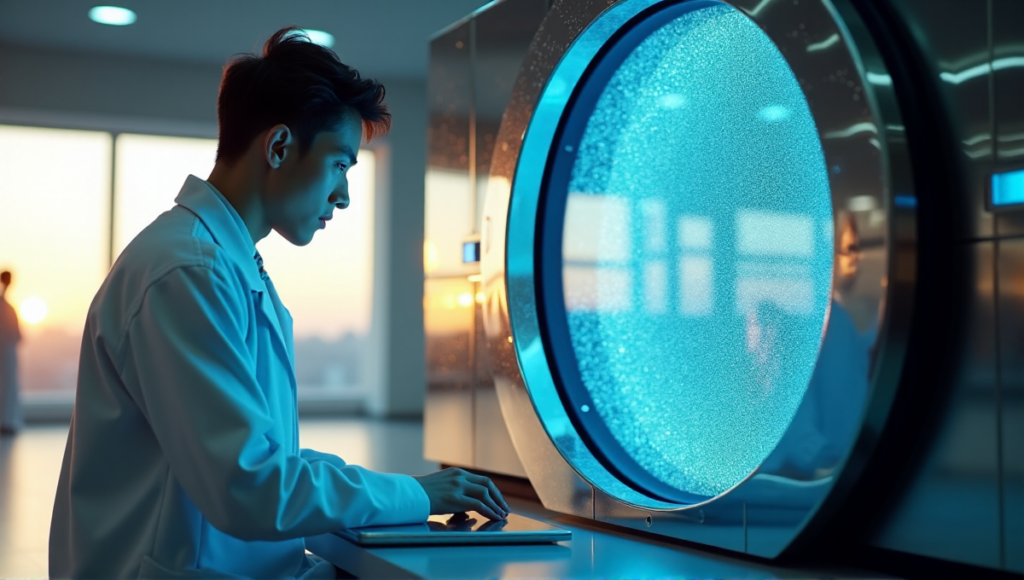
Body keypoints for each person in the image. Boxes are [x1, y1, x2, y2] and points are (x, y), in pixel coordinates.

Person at [49, 27, 509, 579]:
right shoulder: (189, 271)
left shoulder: (223, 262)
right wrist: (413, 494)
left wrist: (402, 495)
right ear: (280, 146)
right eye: (340, 164)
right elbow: (251, 486)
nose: (342, 196)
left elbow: (265, 459)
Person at [0, 270, 24, 435]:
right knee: (7, 386)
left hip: (6, 352)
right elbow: (16, 335)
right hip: (7, 354)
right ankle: (7, 421)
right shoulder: (7, 308)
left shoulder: (7, 307)